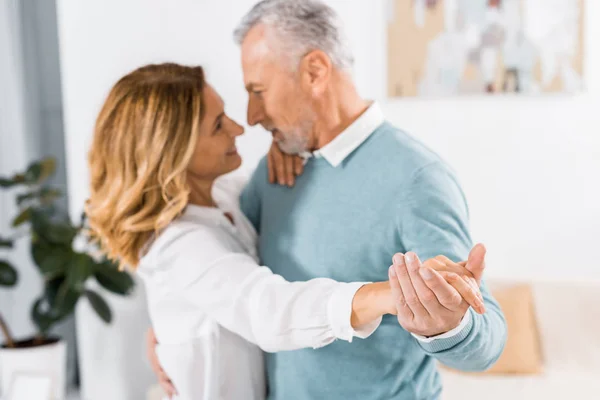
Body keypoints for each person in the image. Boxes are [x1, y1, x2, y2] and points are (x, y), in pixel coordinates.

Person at [146, 1, 509, 399]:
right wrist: (169, 333)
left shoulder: (417, 179)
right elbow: (227, 275)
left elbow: (485, 338)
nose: (250, 116)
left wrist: (449, 322)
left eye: (258, 91)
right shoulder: (275, 172)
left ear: (315, 72)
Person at [86, 63, 485, 400]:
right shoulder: (178, 243)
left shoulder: (225, 195)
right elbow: (268, 309)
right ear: (173, 153)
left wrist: (289, 147)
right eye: (218, 125)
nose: (239, 129)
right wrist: (391, 293)